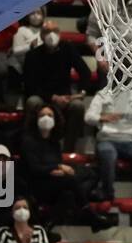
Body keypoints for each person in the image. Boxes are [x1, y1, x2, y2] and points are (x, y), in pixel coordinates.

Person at [19, 103, 112, 232]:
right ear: (36, 118)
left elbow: (54, 166)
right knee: (70, 181)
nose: (46, 118)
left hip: (54, 183)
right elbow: (34, 168)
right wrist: (57, 168)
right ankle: (89, 214)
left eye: (50, 115)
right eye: (42, 115)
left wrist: (57, 170)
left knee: (78, 185)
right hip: (35, 185)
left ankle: (47, 226)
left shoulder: (54, 143)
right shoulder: (28, 140)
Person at [23, 21, 91, 152]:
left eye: (54, 31)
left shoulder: (68, 49)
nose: (51, 35)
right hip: (43, 97)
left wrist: (81, 93)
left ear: (59, 34)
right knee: (32, 101)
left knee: (78, 105)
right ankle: (32, 146)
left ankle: (68, 150)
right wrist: (53, 97)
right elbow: (30, 85)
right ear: (41, 36)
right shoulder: (32, 55)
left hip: (65, 97)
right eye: (47, 32)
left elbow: (85, 72)